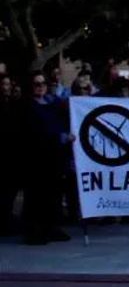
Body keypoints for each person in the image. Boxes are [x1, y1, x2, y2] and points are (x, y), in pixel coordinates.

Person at [18, 72, 73, 245]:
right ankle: (34, 231)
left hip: (54, 157)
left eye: (43, 83)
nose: (40, 87)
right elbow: (33, 132)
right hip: (36, 157)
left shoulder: (52, 104)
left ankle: (51, 227)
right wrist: (59, 138)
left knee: (53, 193)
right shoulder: (26, 106)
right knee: (36, 195)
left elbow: (60, 121)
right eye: (36, 84)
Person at [0, 73, 19, 235]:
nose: (6, 88)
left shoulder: (14, 103)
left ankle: (7, 218)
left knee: (10, 190)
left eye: (8, 84)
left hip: (12, 153)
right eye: (3, 84)